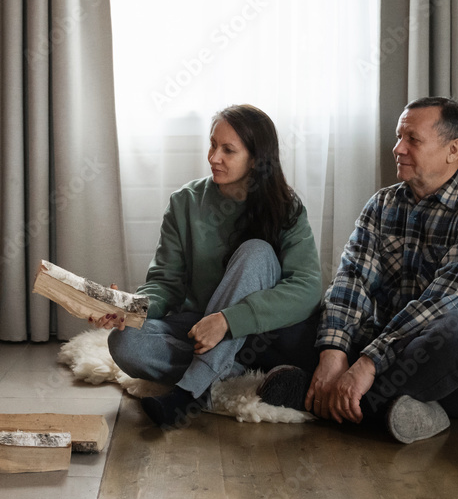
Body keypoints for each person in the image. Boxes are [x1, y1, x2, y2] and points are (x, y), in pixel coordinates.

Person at [257, 97, 458, 443]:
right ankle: (400, 410)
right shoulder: (382, 204)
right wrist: (333, 352)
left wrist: (366, 364)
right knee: (285, 322)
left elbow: (445, 304)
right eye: (399, 137)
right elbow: (350, 283)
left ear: (452, 150)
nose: (398, 148)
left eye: (413, 139)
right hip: (392, 349)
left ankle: (317, 400)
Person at [91, 104, 323, 428]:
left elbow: (307, 287)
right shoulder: (184, 202)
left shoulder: (286, 207)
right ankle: (240, 374)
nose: (214, 157)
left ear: (256, 159)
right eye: (213, 144)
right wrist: (133, 308)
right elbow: (165, 282)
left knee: (257, 252)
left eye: (228, 150)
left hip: (262, 335)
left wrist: (229, 320)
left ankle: (188, 393)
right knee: (124, 342)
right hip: (200, 329)